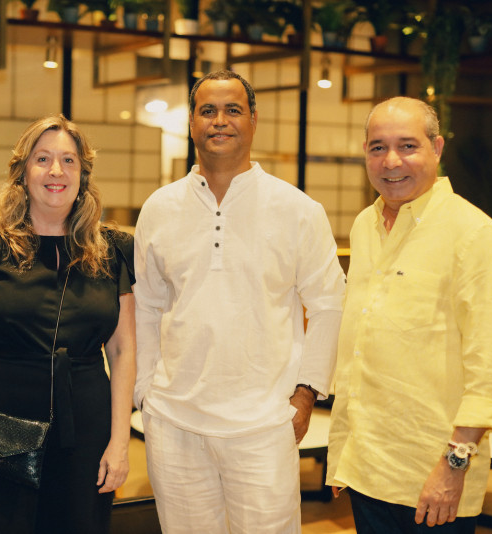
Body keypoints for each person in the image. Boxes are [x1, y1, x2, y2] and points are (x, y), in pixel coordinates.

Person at [134, 69, 346, 533]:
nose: (220, 121)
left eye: (233, 110)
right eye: (207, 110)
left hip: (265, 423)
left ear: (253, 119)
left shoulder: (297, 210)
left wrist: (306, 394)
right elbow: (145, 305)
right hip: (174, 421)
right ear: (191, 122)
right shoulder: (160, 207)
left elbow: (329, 304)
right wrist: (145, 392)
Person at [326, 96, 492, 533]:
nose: (391, 160)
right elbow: (359, 342)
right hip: (366, 468)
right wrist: (344, 452)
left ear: (437, 148)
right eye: (377, 147)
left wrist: (454, 466)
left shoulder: (474, 234)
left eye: (408, 146)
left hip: (432, 478)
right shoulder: (365, 224)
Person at [0, 114, 136, 534]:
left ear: (83, 174)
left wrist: (120, 442)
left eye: (68, 160)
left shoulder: (113, 250)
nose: (56, 171)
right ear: (23, 171)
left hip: (85, 429)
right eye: (42, 158)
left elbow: (123, 352)